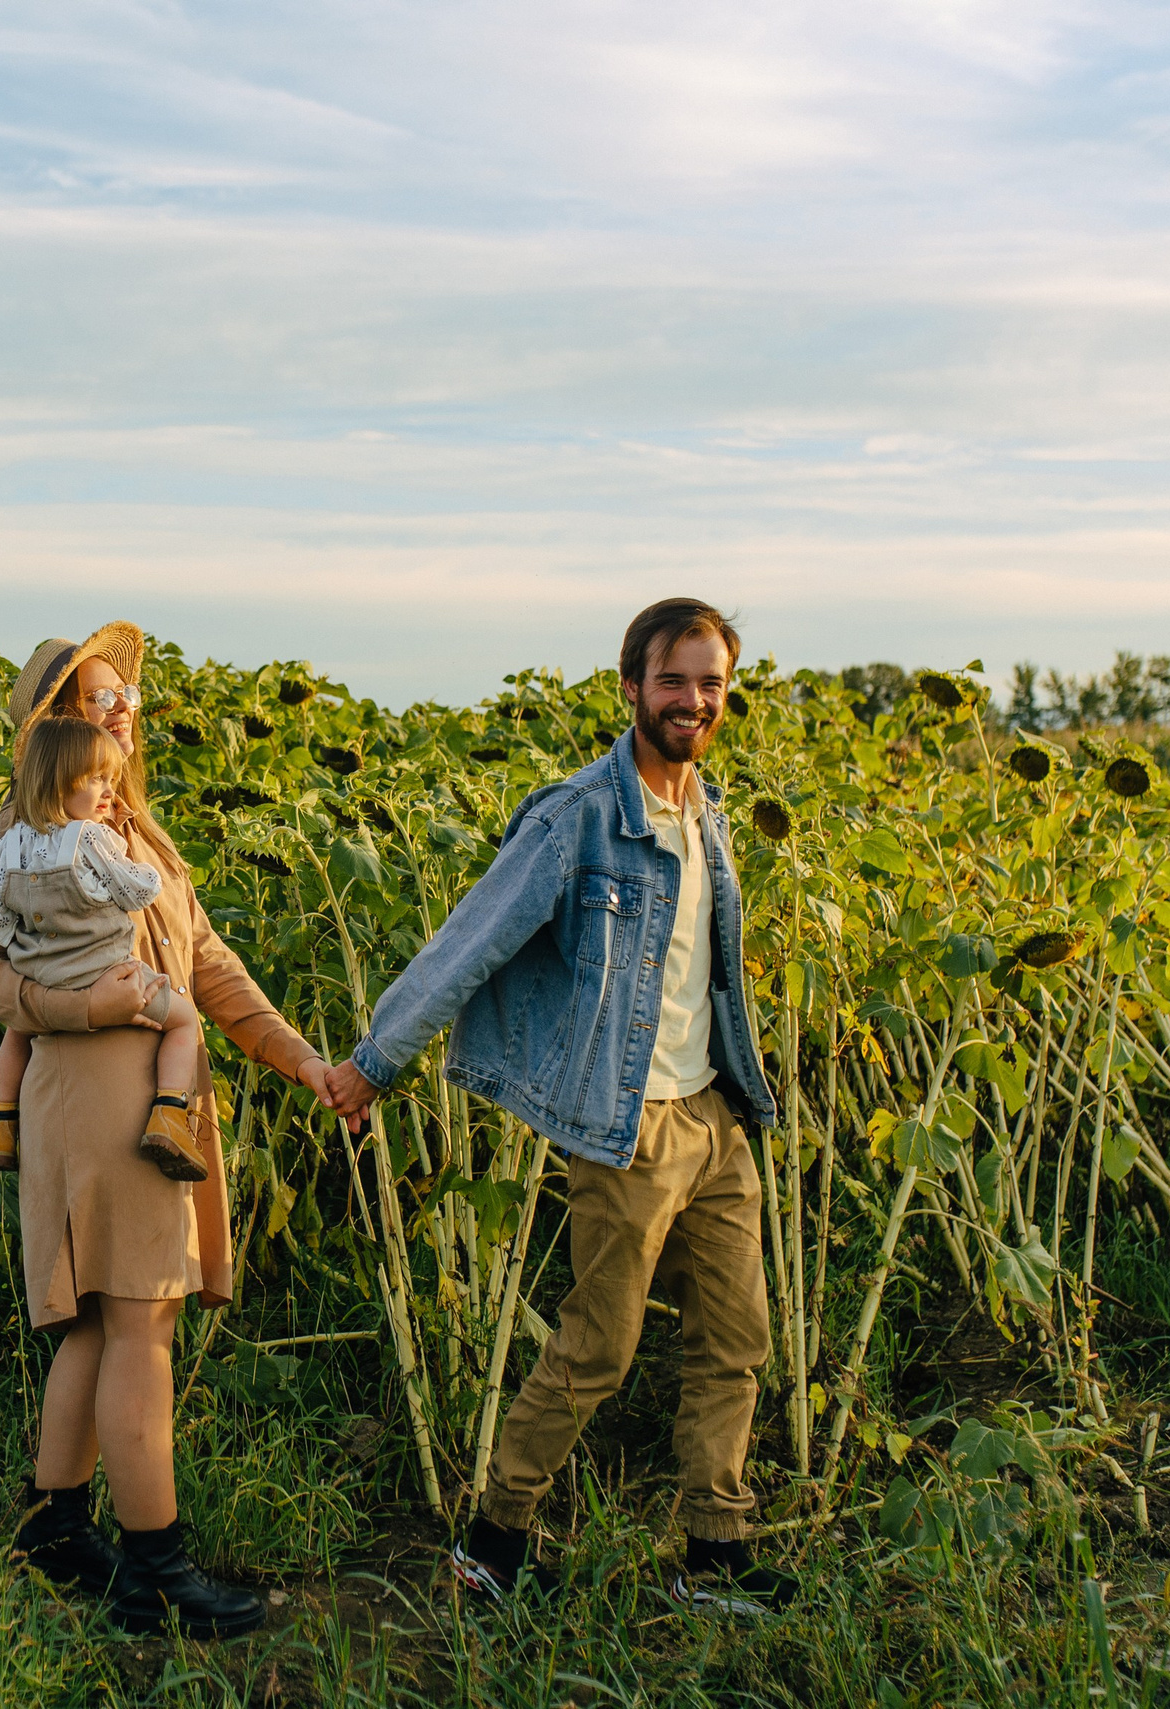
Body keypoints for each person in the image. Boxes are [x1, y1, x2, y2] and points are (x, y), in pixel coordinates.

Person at [321, 597, 796, 1616]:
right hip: (624, 1125)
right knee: (599, 1347)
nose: (693, 699)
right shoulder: (578, 814)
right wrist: (372, 1062)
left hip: (715, 1114)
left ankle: (713, 1547)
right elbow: (471, 940)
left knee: (735, 1339)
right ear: (630, 687)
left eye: (710, 682)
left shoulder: (705, 811)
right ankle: (494, 1534)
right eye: (674, 680)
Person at [0, 622, 341, 1639]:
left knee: (98, 1319)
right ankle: (154, 1567)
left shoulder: (137, 830)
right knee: (139, 1320)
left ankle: (54, 1523)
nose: (123, 707)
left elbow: (203, 960)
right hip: (95, 1092)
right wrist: (88, 1008)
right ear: (53, 723)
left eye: (126, 693)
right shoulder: (20, 833)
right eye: (96, 696)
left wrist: (296, 1054)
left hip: (147, 1090)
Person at [0, 716, 212, 1182]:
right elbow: (134, 891)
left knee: (16, 1034)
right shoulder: (92, 837)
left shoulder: (10, 845)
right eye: (97, 780)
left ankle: (1, 1123)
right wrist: (147, 873)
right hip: (102, 972)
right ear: (58, 783)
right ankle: (170, 1110)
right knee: (184, 1020)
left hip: (41, 974)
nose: (110, 791)